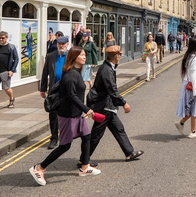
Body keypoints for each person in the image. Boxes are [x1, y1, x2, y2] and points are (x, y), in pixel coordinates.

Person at [29, 46, 100, 186]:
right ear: (74, 58)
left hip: (77, 114)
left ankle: (85, 167)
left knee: (87, 136)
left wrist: (82, 110)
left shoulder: (77, 72)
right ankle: (39, 168)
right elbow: (72, 96)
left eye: (85, 54)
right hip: (68, 115)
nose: (85, 57)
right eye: (82, 55)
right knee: (65, 146)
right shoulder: (70, 75)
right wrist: (87, 109)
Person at [88, 45, 144, 163]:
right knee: (96, 135)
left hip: (108, 106)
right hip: (104, 107)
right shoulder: (107, 70)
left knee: (119, 129)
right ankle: (83, 160)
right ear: (116, 57)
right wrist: (123, 103)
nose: (120, 56)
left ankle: (129, 152)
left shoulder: (108, 67)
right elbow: (112, 90)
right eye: (119, 55)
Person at [40, 36, 69, 149]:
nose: (61, 46)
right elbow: (45, 73)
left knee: (66, 116)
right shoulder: (50, 56)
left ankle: (65, 137)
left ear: (67, 44)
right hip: (53, 91)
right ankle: (53, 138)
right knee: (53, 116)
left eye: (63, 44)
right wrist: (42, 89)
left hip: (66, 90)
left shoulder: (71, 56)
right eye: (59, 43)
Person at [175, 38, 196, 138]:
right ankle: (193, 132)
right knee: (194, 108)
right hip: (191, 86)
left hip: (186, 84)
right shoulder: (194, 58)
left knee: (191, 108)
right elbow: (193, 74)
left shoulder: (188, 56)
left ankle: (181, 123)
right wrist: (195, 91)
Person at [0, 31, 20, 113]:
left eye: (2, 38)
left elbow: (16, 59)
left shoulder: (11, 47)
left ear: (6, 38)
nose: (1, 39)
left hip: (5, 71)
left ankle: (11, 98)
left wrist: (12, 70)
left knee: (6, 89)